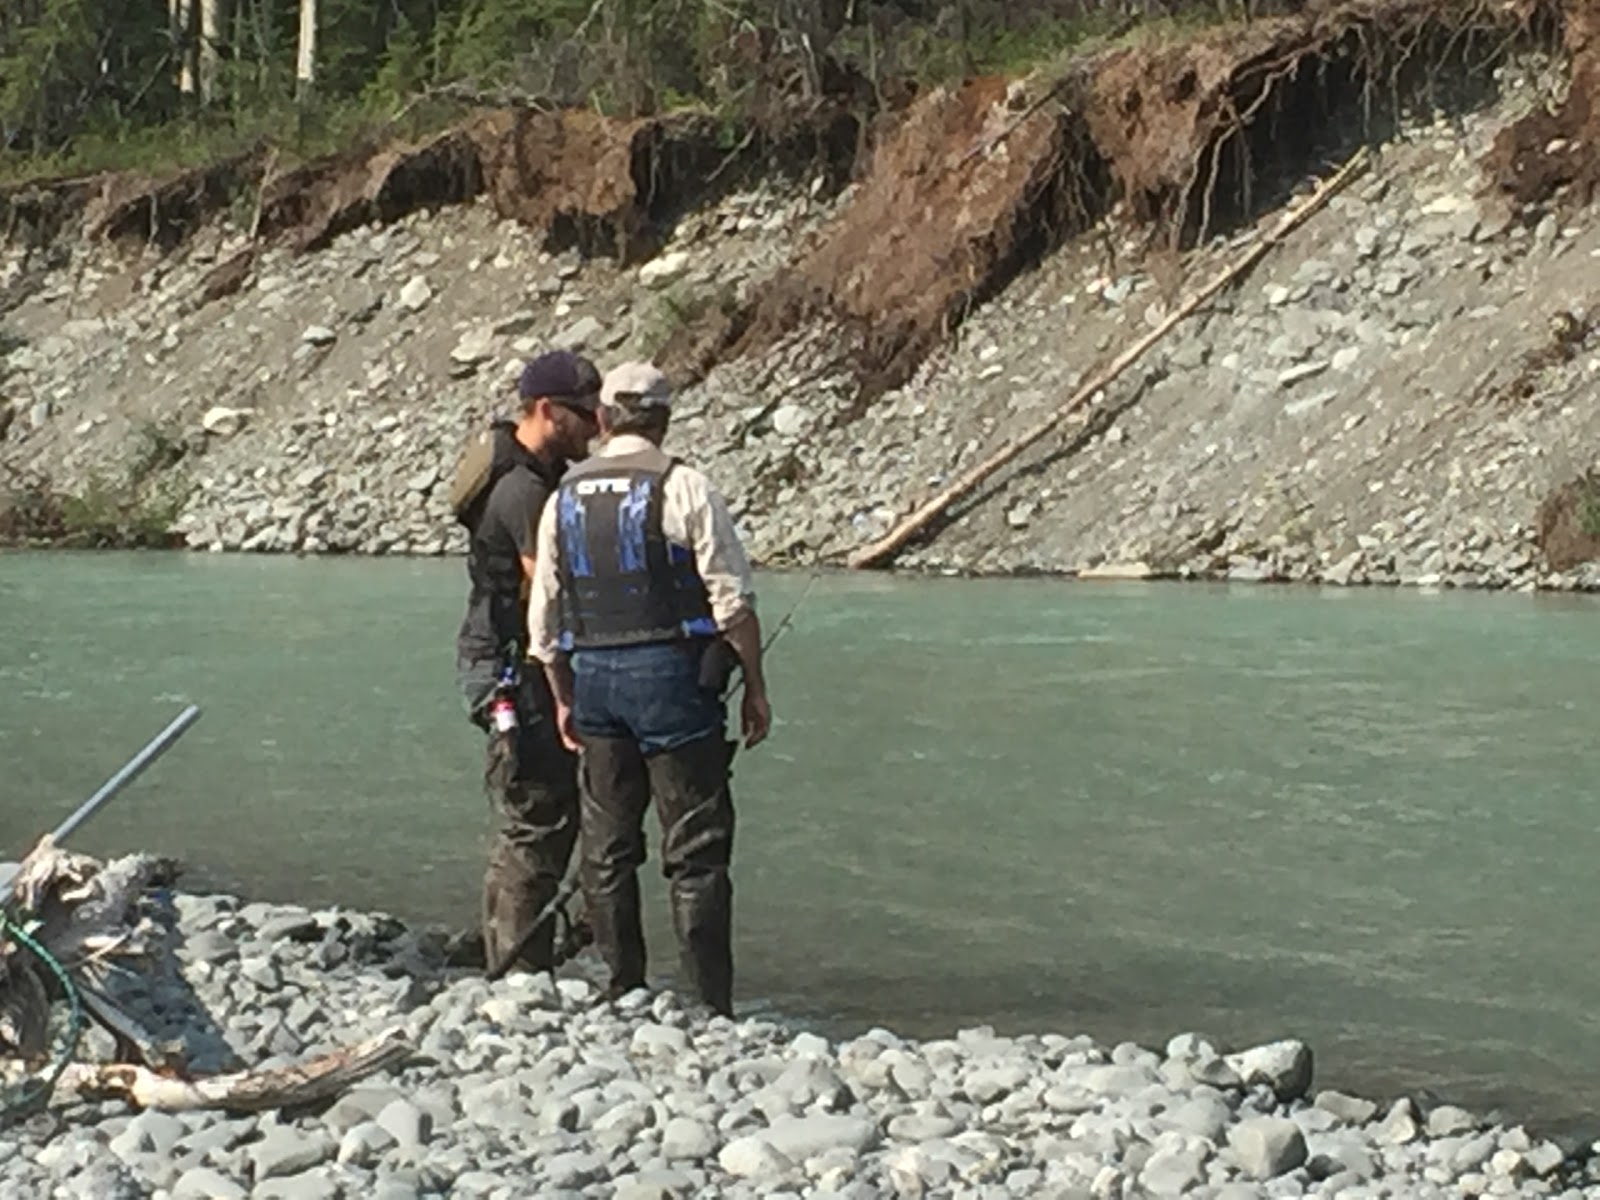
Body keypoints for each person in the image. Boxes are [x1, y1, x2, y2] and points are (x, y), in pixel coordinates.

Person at [525, 361, 771, 1018]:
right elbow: (732, 603)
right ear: (663, 419)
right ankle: (711, 1005)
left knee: (606, 847)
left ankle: (623, 986)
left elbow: (544, 619)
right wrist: (755, 686)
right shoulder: (685, 485)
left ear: (604, 419)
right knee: (696, 849)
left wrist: (562, 696)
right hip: (674, 683)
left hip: (596, 684)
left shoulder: (562, 497)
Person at [449, 349, 601, 976]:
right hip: (515, 670)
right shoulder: (523, 491)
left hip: (501, 661)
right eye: (583, 413)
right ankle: (518, 971)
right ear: (545, 410)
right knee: (538, 814)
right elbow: (550, 591)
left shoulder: (529, 474)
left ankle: (506, 955)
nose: (595, 425)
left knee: (530, 816)